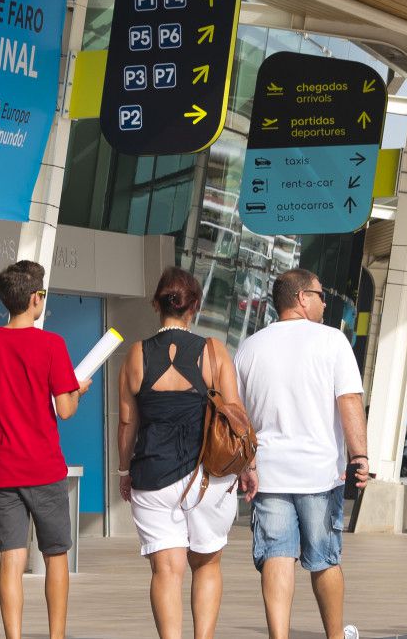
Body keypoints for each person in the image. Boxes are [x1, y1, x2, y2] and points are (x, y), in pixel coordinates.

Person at [235, 269, 368, 639]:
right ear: (301, 298)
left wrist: (247, 464)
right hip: (319, 472)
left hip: (269, 473)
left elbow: (239, 417)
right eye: (321, 294)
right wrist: (360, 456)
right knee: (324, 558)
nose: (326, 302)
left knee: (276, 555)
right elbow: (350, 402)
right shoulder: (332, 341)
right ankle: (335, 636)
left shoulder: (249, 347)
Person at [0, 261, 88, 639]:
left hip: (2, 471)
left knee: (11, 559)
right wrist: (77, 391)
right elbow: (64, 410)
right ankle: (56, 636)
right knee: (55, 555)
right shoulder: (52, 345)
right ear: (35, 299)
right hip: (45, 469)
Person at [117, 268, 248, 639]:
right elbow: (235, 414)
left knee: (166, 571)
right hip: (207, 477)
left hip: (152, 477)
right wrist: (249, 467)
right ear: (195, 306)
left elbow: (127, 424)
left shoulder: (136, 355)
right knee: (206, 565)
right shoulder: (213, 351)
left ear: (156, 304)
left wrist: (124, 471)